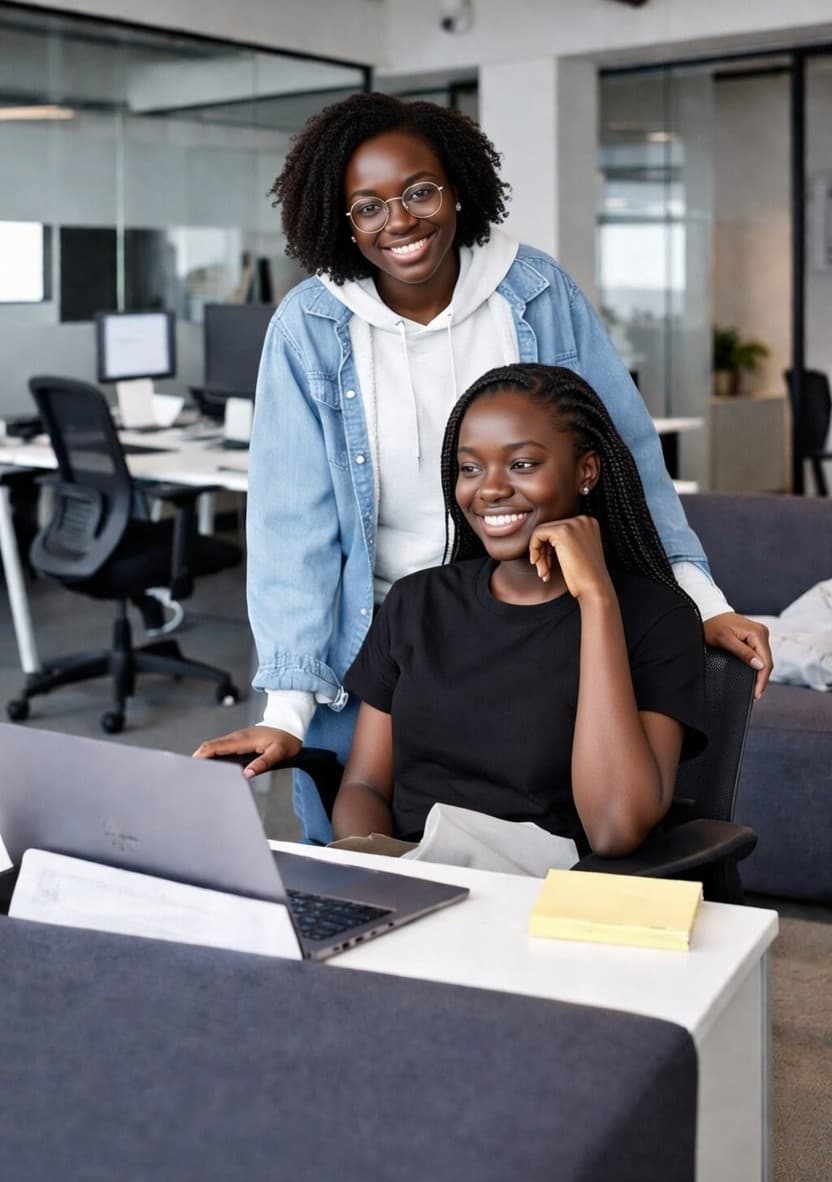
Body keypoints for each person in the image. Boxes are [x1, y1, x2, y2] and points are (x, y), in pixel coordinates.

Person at [193, 92, 769, 844]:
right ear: (340, 220)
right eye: (367, 207)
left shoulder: (533, 292)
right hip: (386, 634)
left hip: (536, 616)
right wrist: (288, 711)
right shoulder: (312, 324)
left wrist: (700, 596)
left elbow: (624, 457)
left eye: (419, 192)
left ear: (458, 186)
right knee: (359, 866)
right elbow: (291, 528)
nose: (398, 222)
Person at [333, 364, 706, 852]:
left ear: (586, 471)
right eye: (470, 468)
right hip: (415, 878)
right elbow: (364, 786)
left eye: (522, 464)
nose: (488, 489)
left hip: (550, 900)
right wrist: (382, 867)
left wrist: (596, 600)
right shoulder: (416, 601)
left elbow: (616, 827)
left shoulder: (658, 618)